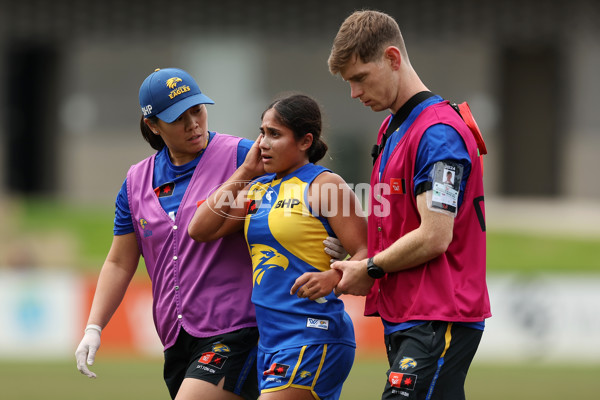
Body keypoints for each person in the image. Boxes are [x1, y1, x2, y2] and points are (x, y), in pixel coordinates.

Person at [74, 68, 346, 400]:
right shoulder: (135, 182)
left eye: (197, 110)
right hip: (175, 339)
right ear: (153, 125)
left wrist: (333, 237)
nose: (193, 124)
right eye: (178, 118)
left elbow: (308, 178)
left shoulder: (242, 156)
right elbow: (119, 262)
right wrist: (94, 327)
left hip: (238, 329)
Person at [327, 10, 491, 400]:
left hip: (438, 314)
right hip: (407, 313)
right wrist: (354, 246)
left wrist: (370, 267)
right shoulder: (392, 128)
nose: (354, 92)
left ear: (392, 58)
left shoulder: (437, 134)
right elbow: (399, 222)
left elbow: (435, 235)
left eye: (360, 78)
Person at [188, 93, 368, 400]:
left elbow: (368, 253)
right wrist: (245, 172)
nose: (262, 143)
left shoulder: (325, 185)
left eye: (274, 134)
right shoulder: (258, 188)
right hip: (271, 339)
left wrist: (335, 277)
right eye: (261, 133)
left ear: (304, 141)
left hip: (314, 333)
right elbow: (200, 228)